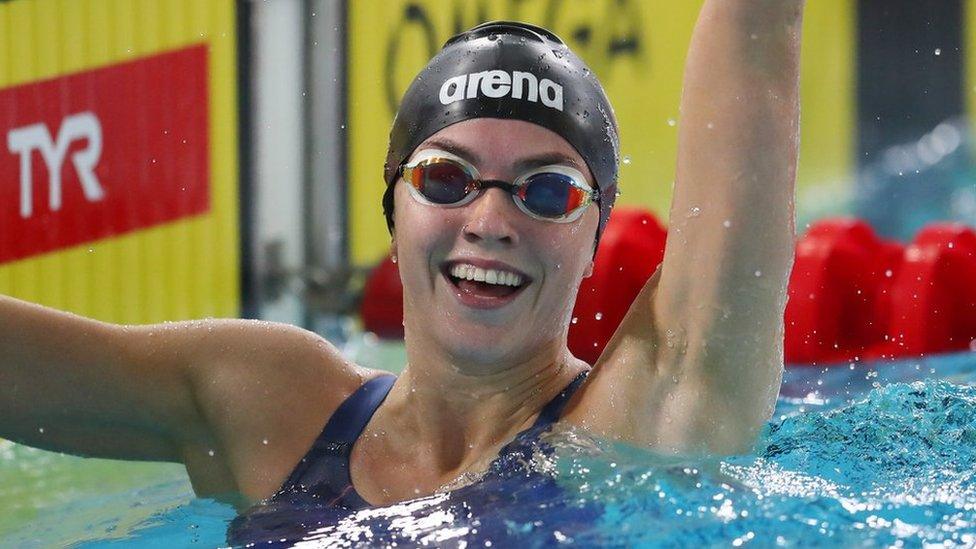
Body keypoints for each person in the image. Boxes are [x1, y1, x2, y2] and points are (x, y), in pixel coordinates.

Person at [0, 0, 804, 540]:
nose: (490, 223)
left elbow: (756, 65)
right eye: (446, 179)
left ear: (595, 235)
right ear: (395, 213)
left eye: (547, 191)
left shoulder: (641, 422)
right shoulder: (272, 402)